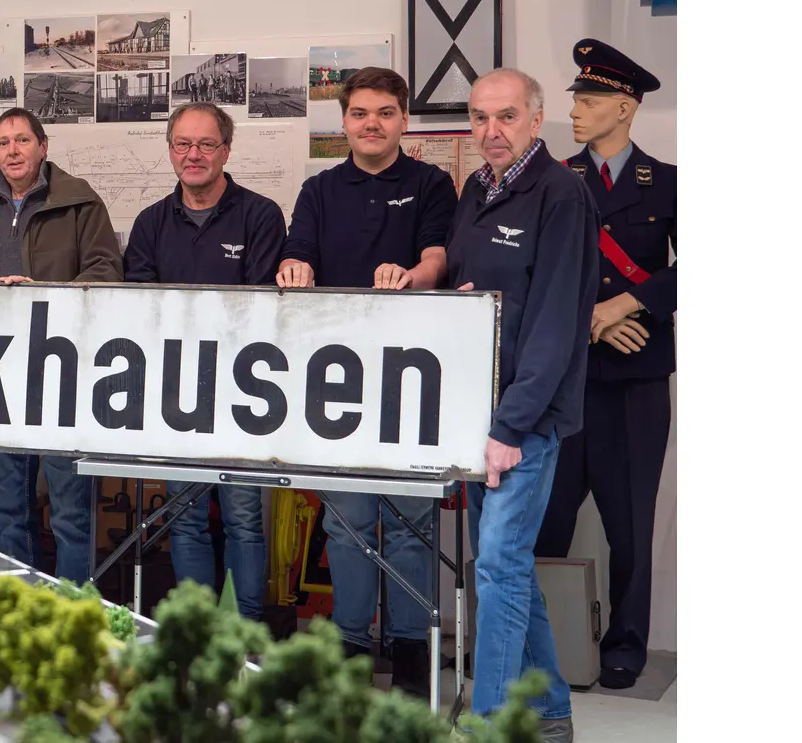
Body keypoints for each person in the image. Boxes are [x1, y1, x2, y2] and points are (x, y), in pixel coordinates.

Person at [274, 67, 456, 697]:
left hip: (411, 380)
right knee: (345, 525)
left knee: (409, 526)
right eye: (359, 113)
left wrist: (413, 273)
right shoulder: (319, 189)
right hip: (335, 383)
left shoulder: (432, 183)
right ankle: (350, 648)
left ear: (404, 119)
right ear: (343, 120)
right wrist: (294, 266)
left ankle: (410, 654)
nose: (371, 124)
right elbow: (297, 252)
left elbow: (438, 258)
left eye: (384, 112)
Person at [448, 68, 596, 742]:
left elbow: (556, 322)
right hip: (481, 412)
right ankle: (551, 710)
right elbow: (473, 286)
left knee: (498, 566)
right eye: (480, 118)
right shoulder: (477, 190)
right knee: (505, 567)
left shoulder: (561, 194)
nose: (491, 131)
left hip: (524, 422)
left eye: (506, 117)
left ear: (537, 120)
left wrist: (511, 425)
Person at [534, 40, 676, 691]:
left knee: (630, 525)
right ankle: (541, 640)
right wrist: (592, 319)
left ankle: (626, 643)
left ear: (625, 107)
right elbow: (537, 270)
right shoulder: (556, 182)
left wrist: (626, 302)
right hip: (566, 377)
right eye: (576, 100)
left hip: (637, 381)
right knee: (547, 518)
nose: (577, 111)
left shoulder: (668, 183)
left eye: (589, 101)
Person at [0, 106, 122, 581]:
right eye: (2, 143)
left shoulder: (81, 202)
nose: (12, 151)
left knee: (70, 513)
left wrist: (43, 291)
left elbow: (106, 272)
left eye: (22, 141)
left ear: (43, 147)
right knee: (8, 508)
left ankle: (77, 609)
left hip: (62, 372)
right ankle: (21, 605)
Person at [122, 102, 285, 621]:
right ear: (171, 151)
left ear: (226, 151)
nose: (194, 155)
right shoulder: (149, 223)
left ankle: (245, 632)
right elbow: (143, 308)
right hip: (178, 394)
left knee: (243, 519)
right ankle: (196, 628)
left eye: (206, 144)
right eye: (183, 145)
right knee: (185, 517)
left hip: (244, 394)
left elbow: (260, 305)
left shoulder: (260, 215)